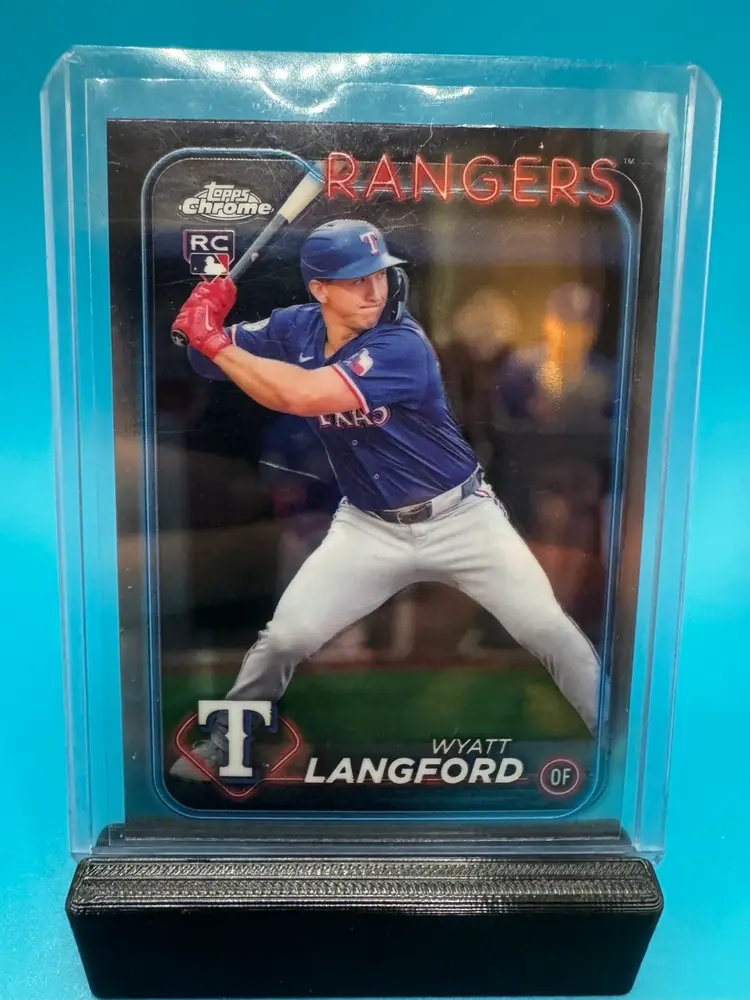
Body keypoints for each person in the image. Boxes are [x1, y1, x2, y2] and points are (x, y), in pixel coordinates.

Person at [169, 219, 601, 783]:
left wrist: (213, 340)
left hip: (462, 518)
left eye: (380, 274)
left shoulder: (401, 344)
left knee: (548, 629)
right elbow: (208, 362)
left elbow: (300, 394)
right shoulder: (294, 328)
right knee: (286, 638)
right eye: (356, 280)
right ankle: (226, 741)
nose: (375, 289)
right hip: (368, 527)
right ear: (320, 289)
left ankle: (620, 740)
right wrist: (202, 323)